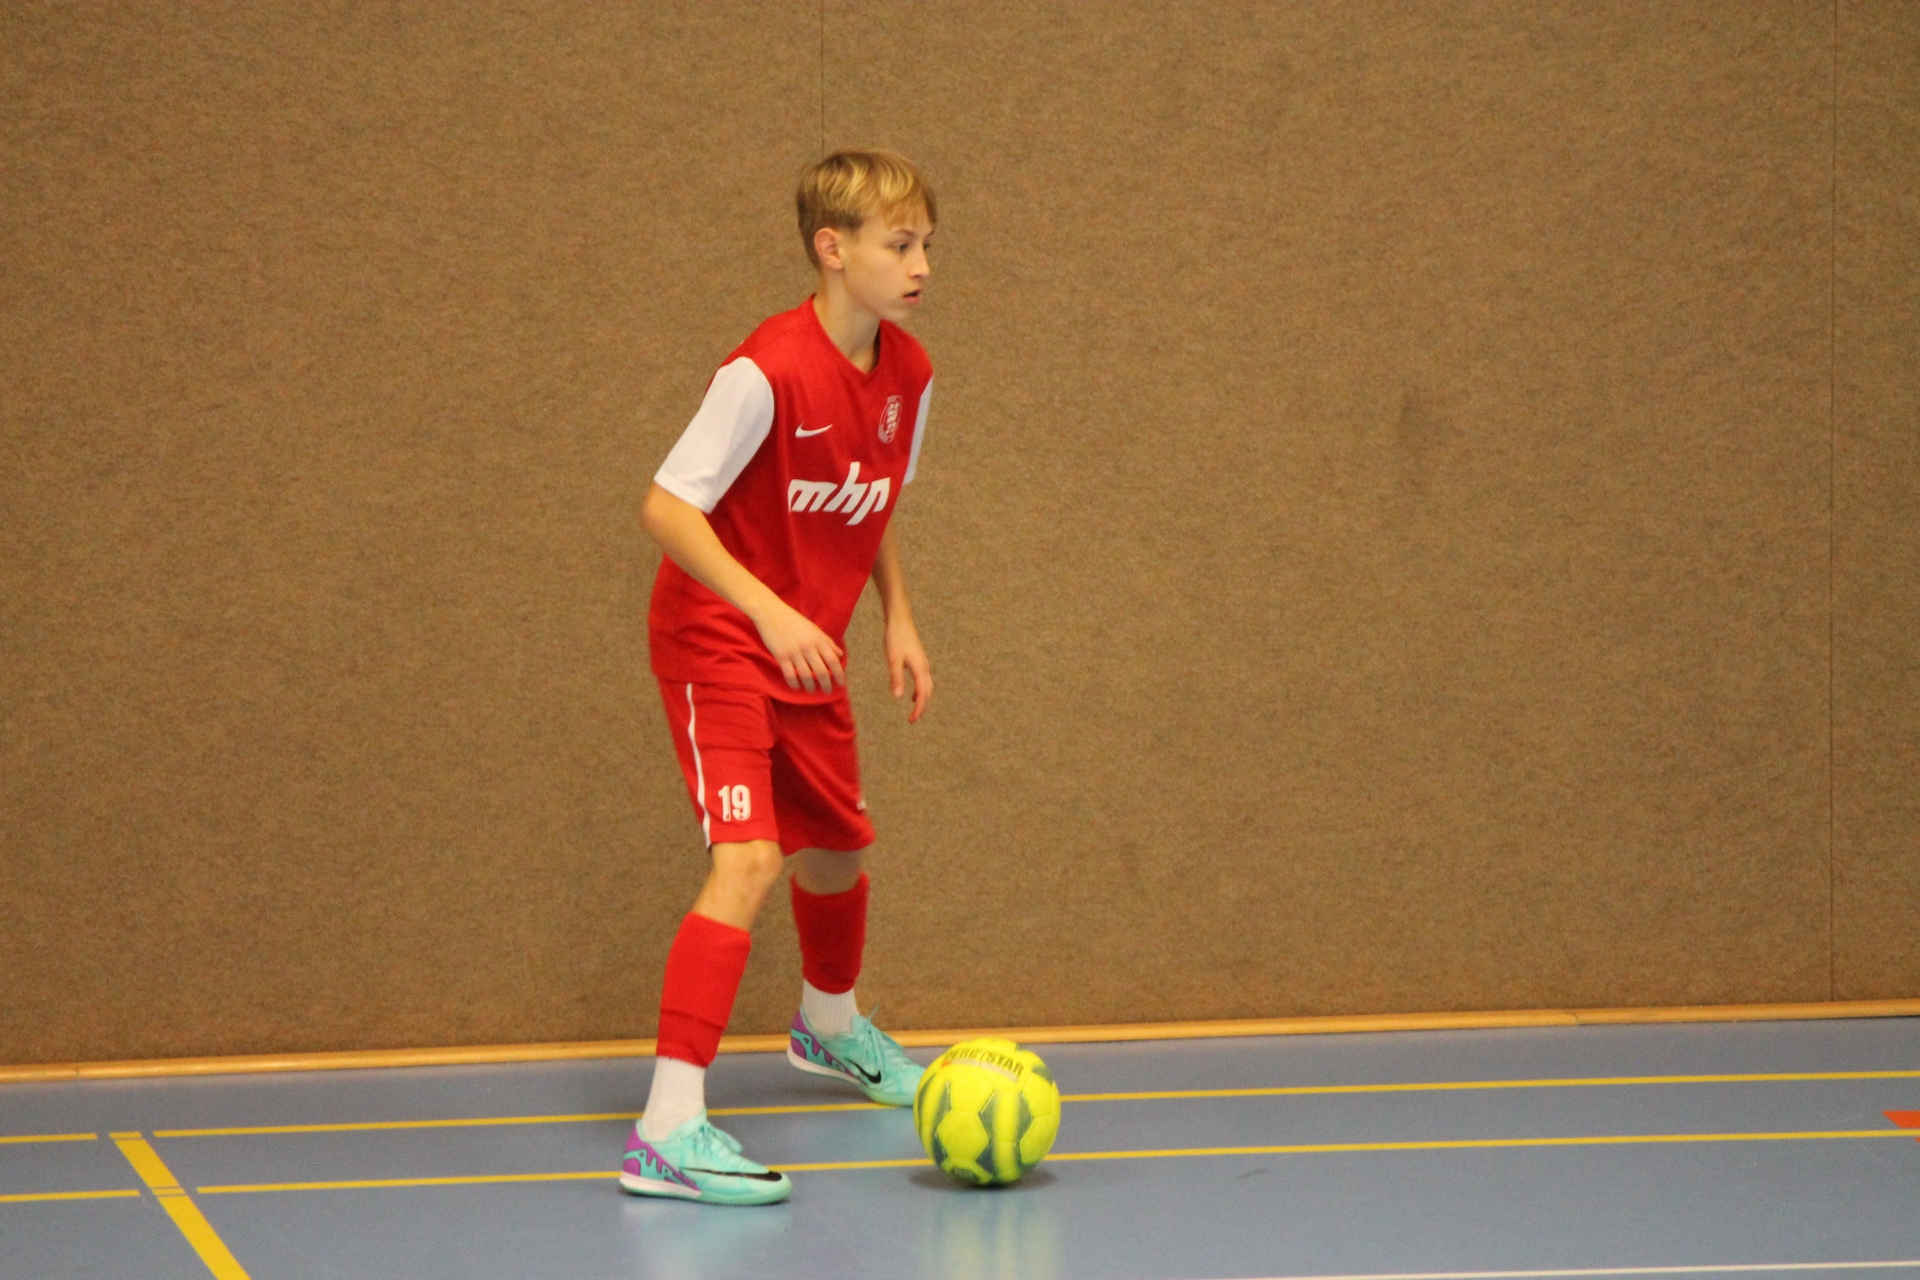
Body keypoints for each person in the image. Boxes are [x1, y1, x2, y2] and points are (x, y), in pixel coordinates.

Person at [619, 149, 939, 1206]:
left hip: (810, 641)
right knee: (751, 858)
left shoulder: (910, 376)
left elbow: (873, 500)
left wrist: (897, 616)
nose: (921, 266)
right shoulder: (764, 371)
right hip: (720, 635)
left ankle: (828, 1027)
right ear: (831, 248)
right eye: (900, 244)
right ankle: (666, 1130)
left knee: (839, 845)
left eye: (927, 245)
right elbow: (667, 508)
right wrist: (769, 609)